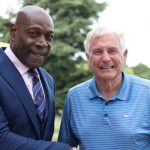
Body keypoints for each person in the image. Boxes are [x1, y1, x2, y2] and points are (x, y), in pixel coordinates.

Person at [58, 26, 150, 150]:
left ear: (124, 55)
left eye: (112, 51)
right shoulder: (74, 97)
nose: (106, 58)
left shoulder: (147, 93)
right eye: (98, 52)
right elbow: (66, 146)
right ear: (88, 57)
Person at [0, 5, 72, 150]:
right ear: (13, 32)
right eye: (33, 33)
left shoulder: (47, 80)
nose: (43, 43)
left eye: (49, 37)